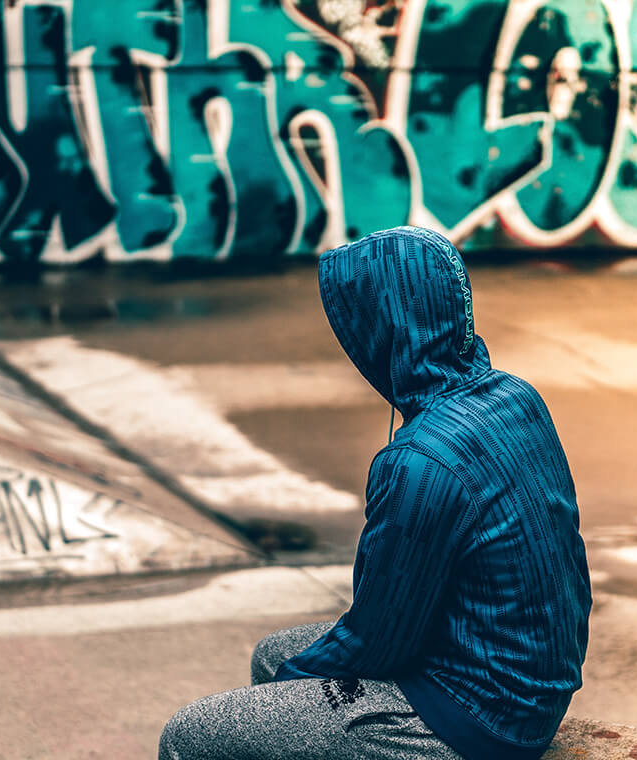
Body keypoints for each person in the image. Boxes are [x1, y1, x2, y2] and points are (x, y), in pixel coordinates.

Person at [158, 225, 592, 759]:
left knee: (191, 734)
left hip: (477, 716)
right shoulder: (515, 397)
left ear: (385, 329)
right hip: (534, 682)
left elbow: (380, 638)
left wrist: (289, 688)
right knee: (271, 655)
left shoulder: (419, 461)